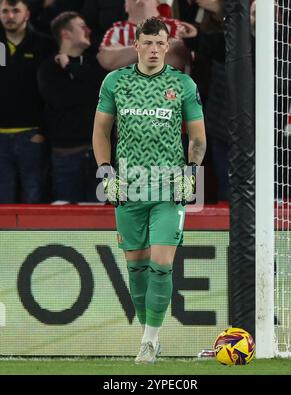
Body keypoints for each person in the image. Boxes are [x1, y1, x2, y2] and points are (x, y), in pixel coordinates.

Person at [92, 17, 206, 363]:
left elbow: (197, 137)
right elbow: (101, 132)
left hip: (169, 185)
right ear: (137, 45)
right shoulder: (115, 82)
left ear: (167, 46)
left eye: (160, 43)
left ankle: (148, 342)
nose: (154, 49)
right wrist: (105, 173)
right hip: (129, 185)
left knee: (161, 265)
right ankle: (149, 336)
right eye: (148, 43)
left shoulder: (183, 85)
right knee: (137, 270)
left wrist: (191, 173)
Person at [38, 11, 104, 202]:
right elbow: (61, 100)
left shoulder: (93, 64)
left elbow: (101, 90)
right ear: (66, 34)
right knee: (65, 214)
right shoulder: (48, 67)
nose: (88, 30)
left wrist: (70, 68)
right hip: (65, 155)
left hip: (97, 156)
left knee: (97, 214)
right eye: (82, 26)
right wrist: (85, 88)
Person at [0, 0, 55, 203]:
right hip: (0, 139)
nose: (10, 16)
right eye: (5, 11)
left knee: (34, 194)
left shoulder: (45, 45)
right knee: (3, 199)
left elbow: (51, 94)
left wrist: (42, 131)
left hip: (31, 135)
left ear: (27, 14)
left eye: (15, 11)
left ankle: (34, 237)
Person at [97, 0, 198, 72]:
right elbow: (107, 60)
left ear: (158, 2)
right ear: (126, 6)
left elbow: (175, 59)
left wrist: (125, 55)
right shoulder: (117, 29)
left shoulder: (175, 26)